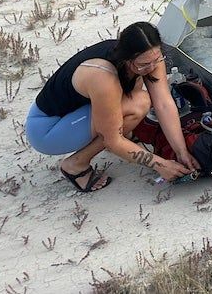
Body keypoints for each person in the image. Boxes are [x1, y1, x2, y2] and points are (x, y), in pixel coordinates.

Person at [25, 21, 197, 193]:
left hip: (78, 112)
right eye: (144, 64)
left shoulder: (149, 55)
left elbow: (163, 104)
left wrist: (181, 151)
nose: (152, 68)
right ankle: (76, 164)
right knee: (138, 105)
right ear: (126, 58)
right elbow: (113, 140)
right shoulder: (103, 77)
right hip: (47, 130)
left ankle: (124, 134)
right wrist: (159, 164)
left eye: (157, 60)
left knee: (138, 95)